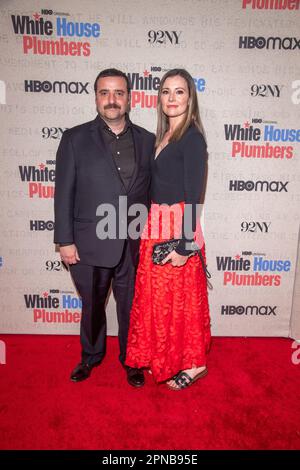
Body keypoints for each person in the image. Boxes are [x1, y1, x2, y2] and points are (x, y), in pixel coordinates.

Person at [54, 68, 155, 387]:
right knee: (93, 306)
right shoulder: (74, 138)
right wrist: (64, 240)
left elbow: (151, 193)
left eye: (119, 93)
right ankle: (90, 356)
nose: (112, 100)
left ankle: (132, 359)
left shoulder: (148, 140)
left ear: (130, 97)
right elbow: (63, 192)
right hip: (89, 241)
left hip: (133, 241)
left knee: (131, 308)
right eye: (104, 93)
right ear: (96, 96)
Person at [125, 68, 211, 390]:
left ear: (190, 99)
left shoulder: (192, 138)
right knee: (162, 300)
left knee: (182, 301)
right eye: (166, 91)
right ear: (159, 98)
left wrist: (184, 246)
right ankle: (169, 356)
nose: (172, 98)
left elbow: (194, 197)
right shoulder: (162, 137)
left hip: (176, 231)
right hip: (156, 227)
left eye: (180, 91)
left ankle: (195, 363)